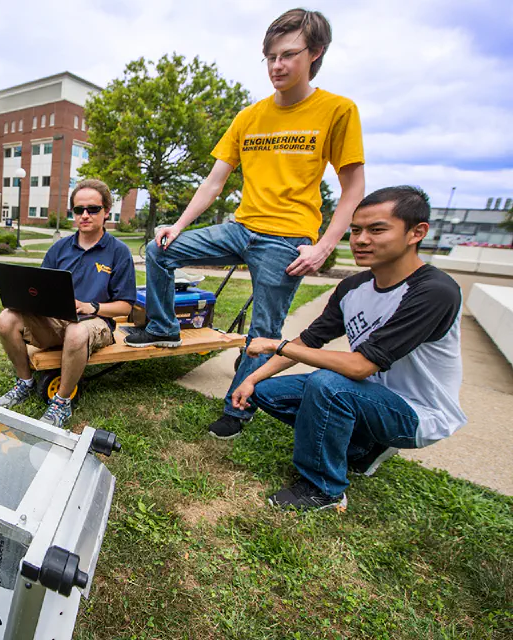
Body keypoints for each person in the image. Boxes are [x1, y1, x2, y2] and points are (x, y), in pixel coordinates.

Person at [125, 8, 366, 441]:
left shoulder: (337, 110)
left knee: (264, 330)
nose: (277, 65)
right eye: (270, 56)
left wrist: (324, 246)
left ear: (315, 53)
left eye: (289, 55)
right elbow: (214, 181)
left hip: (288, 237)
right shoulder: (249, 117)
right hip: (241, 226)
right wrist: (178, 225)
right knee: (160, 249)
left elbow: (352, 188)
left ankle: (238, 406)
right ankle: (163, 328)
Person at [230, 186, 466, 511]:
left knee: (328, 385)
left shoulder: (434, 292)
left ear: (417, 233)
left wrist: (276, 344)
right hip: (365, 393)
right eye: (355, 230)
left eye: (377, 229)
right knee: (268, 391)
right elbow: (310, 340)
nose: (361, 239)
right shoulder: (353, 287)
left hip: (418, 412)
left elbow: (359, 367)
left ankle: (324, 489)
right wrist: (252, 379)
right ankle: (361, 447)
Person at [0, 179, 136, 428]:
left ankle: (61, 402)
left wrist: (93, 307)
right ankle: (25, 382)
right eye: (79, 209)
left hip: (96, 323)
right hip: (57, 319)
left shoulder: (118, 252)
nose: (85, 215)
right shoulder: (59, 249)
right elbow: (38, 289)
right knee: (7, 318)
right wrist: (29, 302)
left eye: (93, 209)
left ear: (106, 212)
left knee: (76, 329)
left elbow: (126, 306)